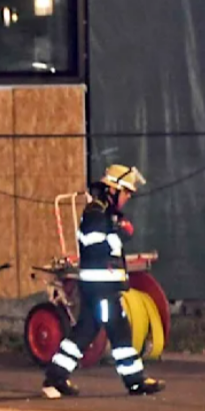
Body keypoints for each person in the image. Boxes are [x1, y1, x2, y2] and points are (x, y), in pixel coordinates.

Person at [43, 165, 165, 398]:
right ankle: (135, 381)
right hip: (101, 288)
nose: (128, 197)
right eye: (126, 192)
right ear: (112, 190)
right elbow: (95, 243)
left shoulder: (105, 214)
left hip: (99, 287)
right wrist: (117, 230)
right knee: (119, 331)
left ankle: (55, 377)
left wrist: (119, 227)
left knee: (86, 331)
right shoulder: (96, 214)